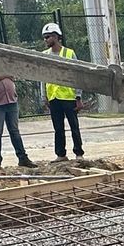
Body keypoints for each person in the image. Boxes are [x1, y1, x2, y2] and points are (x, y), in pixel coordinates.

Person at [40, 23, 85, 160]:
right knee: (58, 128)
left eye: (48, 37)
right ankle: (60, 154)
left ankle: (79, 153)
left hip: (69, 97)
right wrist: (44, 96)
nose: (45, 40)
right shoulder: (44, 55)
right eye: (44, 37)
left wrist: (78, 96)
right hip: (53, 97)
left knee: (74, 127)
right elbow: (42, 76)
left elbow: (78, 75)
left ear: (55, 36)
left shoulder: (69, 53)